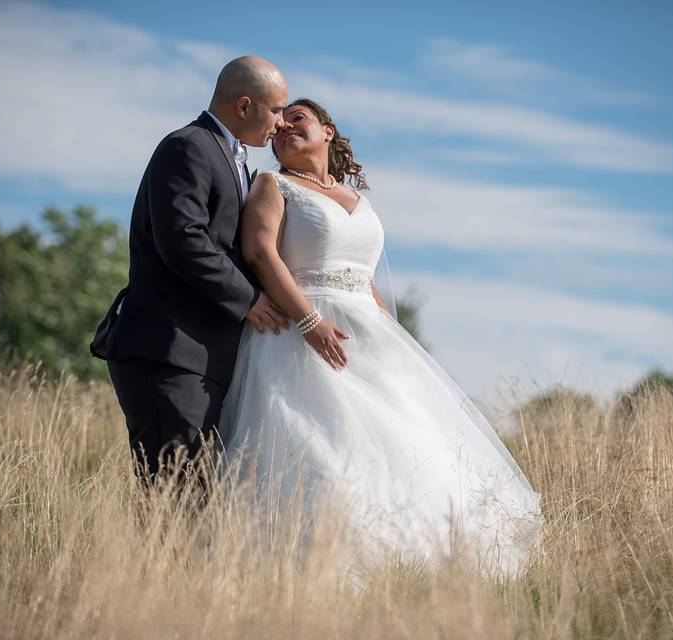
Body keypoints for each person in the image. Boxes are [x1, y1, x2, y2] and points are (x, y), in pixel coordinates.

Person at [218, 98, 545, 577]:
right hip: (297, 331)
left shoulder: (360, 201)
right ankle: (311, 567)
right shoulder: (274, 184)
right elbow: (260, 253)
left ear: (327, 131)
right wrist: (309, 322)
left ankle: (411, 564)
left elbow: (364, 277)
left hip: (363, 334)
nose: (285, 126)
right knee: (318, 447)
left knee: (401, 446)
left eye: (298, 118)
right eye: (279, 123)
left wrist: (389, 336)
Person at [89, 56, 291, 493]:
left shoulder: (235, 161)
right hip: (169, 355)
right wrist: (251, 299)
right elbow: (183, 240)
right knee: (175, 506)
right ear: (243, 106)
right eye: (276, 110)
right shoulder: (189, 146)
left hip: (200, 361)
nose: (280, 123)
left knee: (197, 503)